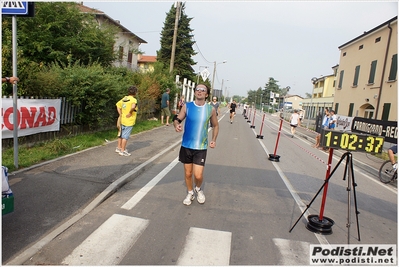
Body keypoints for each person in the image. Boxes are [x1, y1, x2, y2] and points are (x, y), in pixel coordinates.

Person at [173, 84, 219, 206]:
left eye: (202, 90)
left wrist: (213, 139)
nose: (200, 91)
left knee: (198, 175)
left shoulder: (210, 109)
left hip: (201, 147)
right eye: (197, 89)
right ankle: (190, 192)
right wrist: (176, 124)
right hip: (187, 145)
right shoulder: (187, 106)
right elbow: (177, 119)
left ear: (206, 94)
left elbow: (215, 125)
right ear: (194, 92)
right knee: (188, 173)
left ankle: (198, 189)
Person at [115, 86, 138, 156]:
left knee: (121, 134)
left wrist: (120, 114)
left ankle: (118, 148)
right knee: (125, 136)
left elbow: (118, 105)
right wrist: (130, 112)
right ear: (135, 93)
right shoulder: (133, 100)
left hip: (122, 119)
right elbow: (133, 107)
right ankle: (123, 150)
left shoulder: (124, 98)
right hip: (129, 121)